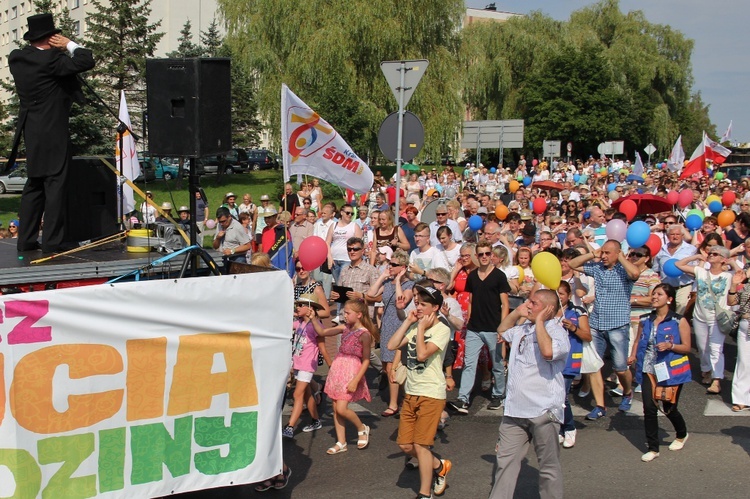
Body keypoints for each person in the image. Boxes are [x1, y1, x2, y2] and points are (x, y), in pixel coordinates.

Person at [8, 14, 95, 253]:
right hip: (54, 131)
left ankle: (25, 240)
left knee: (34, 184)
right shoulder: (52, 61)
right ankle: (52, 243)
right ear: (51, 38)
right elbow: (86, 60)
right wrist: (69, 44)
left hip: (32, 130)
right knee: (55, 185)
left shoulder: (17, 58)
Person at [490, 289, 569, 499]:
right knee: (505, 463)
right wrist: (517, 313)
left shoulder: (557, 331)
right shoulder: (523, 328)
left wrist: (541, 321)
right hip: (515, 410)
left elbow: (548, 352)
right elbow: (502, 329)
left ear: (548, 309)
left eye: (533, 303)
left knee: (548, 467)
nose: (528, 305)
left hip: (543, 410)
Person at [388, 285, 453, 499]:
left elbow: (423, 354)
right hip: (412, 392)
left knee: (421, 445)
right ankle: (438, 466)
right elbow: (391, 345)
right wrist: (408, 321)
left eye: (423, 304)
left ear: (435, 307)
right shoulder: (414, 325)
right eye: (417, 303)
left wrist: (422, 328)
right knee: (406, 445)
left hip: (432, 394)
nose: (419, 307)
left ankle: (425, 494)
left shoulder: (442, 329)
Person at [567, 239, 640, 419]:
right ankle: (600, 406)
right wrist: (594, 253)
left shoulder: (624, 270)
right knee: (594, 366)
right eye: (603, 252)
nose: (604, 256)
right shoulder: (598, 268)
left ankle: (628, 392)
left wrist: (621, 258)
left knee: (620, 368)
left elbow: (635, 273)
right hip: (596, 324)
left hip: (617, 325)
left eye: (608, 253)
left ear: (617, 253)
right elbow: (572, 264)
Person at [629, 284, 691, 462]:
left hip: (671, 370)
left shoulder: (679, 321)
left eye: (659, 294)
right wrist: (633, 356)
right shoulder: (645, 319)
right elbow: (638, 341)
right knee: (649, 408)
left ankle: (681, 434)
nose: (654, 297)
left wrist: (671, 346)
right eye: (653, 294)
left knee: (668, 407)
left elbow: (687, 347)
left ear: (669, 299)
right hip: (648, 369)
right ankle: (653, 448)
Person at [450, 239, 510, 413]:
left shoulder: (499, 276)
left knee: (497, 364)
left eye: (487, 254)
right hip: (475, 328)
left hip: (493, 327)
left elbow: (505, 304)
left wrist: (503, 327)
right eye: (481, 254)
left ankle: (499, 394)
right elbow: (471, 299)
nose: (484, 257)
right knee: (469, 364)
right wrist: (468, 317)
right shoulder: (473, 276)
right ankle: (463, 398)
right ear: (477, 256)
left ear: (492, 255)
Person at [310, 299, 374, 455]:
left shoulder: (364, 334)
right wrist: (313, 318)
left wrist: (356, 379)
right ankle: (341, 442)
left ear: (359, 315)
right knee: (335, 408)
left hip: (351, 371)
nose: (344, 315)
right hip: (338, 369)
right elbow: (322, 332)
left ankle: (361, 428)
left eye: (348, 313)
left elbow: (366, 360)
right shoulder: (345, 328)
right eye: (344, 312)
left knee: (341, 408)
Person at [675, 246, 732, 395]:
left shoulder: (728, 276)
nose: (711, 255)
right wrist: (696, 257)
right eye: (710, 253)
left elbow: (742, 273)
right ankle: (706, 370)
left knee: (716, 349)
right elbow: (678, 265)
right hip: (700, 316)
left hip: (717, 318)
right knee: (702, 347)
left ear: (722, 259)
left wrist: (732, 260)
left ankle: (717, 379)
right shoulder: (701, 272)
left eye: (715, 254)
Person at [367, 249, 414, 416]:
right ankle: (395, 402)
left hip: (400, 326)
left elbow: (401, 301)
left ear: (403, 267)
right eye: (390, 263)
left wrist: (400, 280)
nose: (391, 267)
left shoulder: (409, 285)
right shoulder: (387, 284)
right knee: (388, 366)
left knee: (399, 366)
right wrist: (383, 276)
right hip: (387, 326)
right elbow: (371, 294)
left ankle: (405, 400)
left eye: (394, 265)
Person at [282, 294, 331, 439]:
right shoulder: (299, 323)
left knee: (298, 394)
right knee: (307, 394)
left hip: (307, 365)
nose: (297, 307)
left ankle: (290, 426)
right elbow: (285, 324)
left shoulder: (317, 327)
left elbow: (322, 348)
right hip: (298, 362)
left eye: (301, 305)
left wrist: (331, 365)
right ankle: (316, 420)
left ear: (310, 309)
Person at [557, 281, 591, 449]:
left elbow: (587, 336)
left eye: (561, 294)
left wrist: (573, 327)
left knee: (561, 396)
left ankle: (570, 427)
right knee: (553, 396)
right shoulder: (548, 310)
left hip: (569, 360)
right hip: (552, 360)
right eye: (555, 293)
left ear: (569, 295)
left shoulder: (578, 311)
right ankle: (560, 429)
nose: (558, 297)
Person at [727, 269, 750, 411]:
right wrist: (734, 285)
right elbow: (731, 302)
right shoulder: (746, 288)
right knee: (744, 361)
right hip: (746, 325)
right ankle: (741, 398)